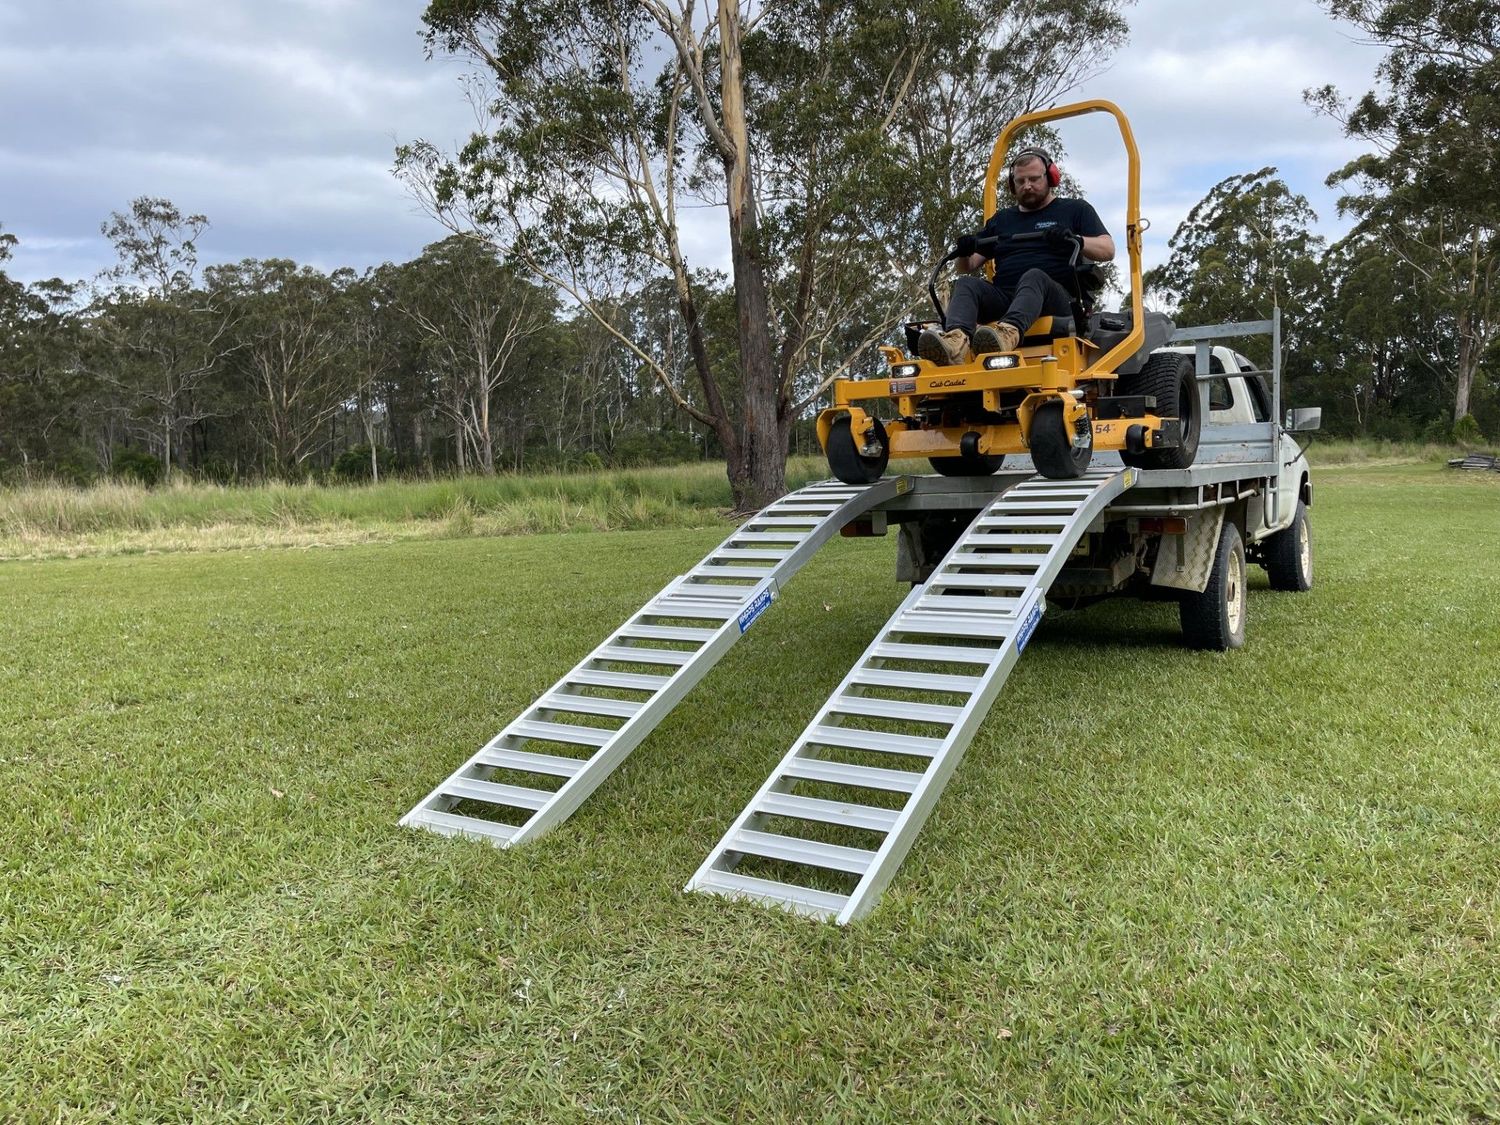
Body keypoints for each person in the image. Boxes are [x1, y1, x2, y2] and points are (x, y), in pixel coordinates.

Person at [919, 147, 1116, 366]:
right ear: (1013, 185)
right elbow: (967, 266)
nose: (1027, 186)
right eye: (1020, 181)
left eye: (1034, 179)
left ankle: (1007, 336)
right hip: (1007, 297)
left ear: (1051, 177)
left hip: (1055, 298)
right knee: (966, 283)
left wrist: (1077, 240)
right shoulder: (1002, 220)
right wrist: (964, 252)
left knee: (1033, 276)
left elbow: (1107, 249)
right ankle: (955, 343)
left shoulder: (1075, 210)